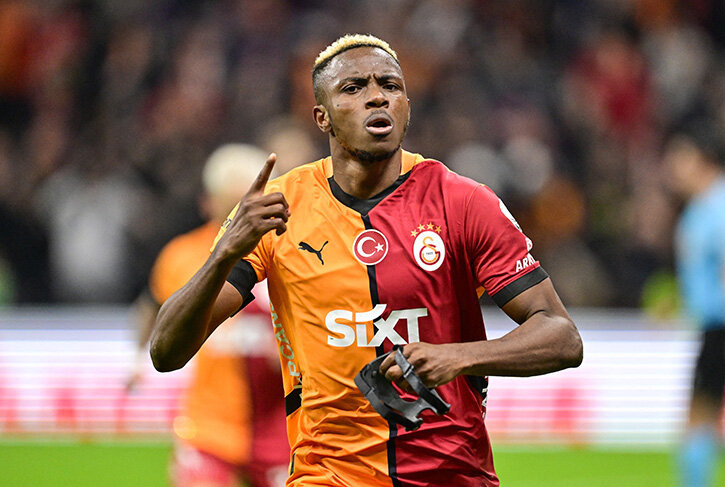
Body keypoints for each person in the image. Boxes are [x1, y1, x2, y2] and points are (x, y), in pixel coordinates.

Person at [150, 34, 583, 486]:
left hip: (451, 472)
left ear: (406, 106)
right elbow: (166, 351)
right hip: (326, 474)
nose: (377, 97)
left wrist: (459, 357)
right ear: (322, 117)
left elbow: (562, 336)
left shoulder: (463, 202)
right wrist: (223, 253)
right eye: (353, 88)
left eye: (390, 86)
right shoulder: (282, 207)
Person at [132, 144, 290, 487]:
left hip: (281, 428)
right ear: (209, 203)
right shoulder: (182, 255)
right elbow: (151, 306)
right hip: (209, 428)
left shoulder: (292, 251)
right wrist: (135, 357)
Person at [662, 124, 725, 487]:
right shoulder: (700, 209)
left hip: (724, 330)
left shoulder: (721, 207)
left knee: (699, 418)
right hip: (713, 327)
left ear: (704, 159)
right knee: (703, 418)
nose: (672, 166)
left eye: (680, 156)